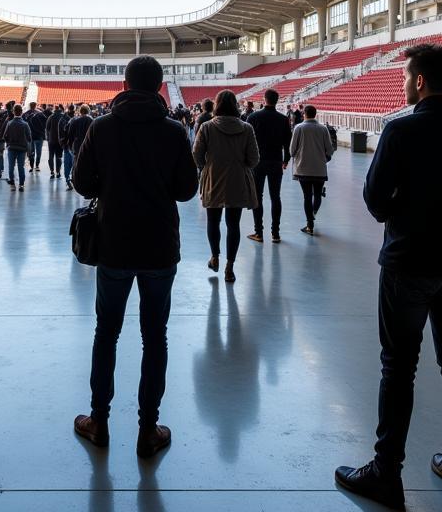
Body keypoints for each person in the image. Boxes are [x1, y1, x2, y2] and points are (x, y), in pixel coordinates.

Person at [336, 44, 442, 509]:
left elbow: (373, 197)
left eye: (406, 77)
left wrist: (402, 216)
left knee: (398, 367)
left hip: (408, 261)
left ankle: (387, 471)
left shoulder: (400, 129)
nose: (403, 83)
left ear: (421, 81)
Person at [72, 56, 199, 458]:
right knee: (154, 337)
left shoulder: (102, 126)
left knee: (106, 333)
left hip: (113, 244)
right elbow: (186, 191)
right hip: (160, 247)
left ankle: (99, 421)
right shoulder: (174, 132)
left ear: (125, 86)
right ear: (160, 87)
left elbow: (80, 181)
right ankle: (147, 429)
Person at [192, 89, 260, 283]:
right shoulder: (246, 128)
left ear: (217, 105)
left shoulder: (206, 127)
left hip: (213, 179)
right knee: (234, 224)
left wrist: (207, 167)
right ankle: (230, 267)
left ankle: (215, 257)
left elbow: (196, 155)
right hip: (237, 180)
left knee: (213, 221)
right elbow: (254, 159)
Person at [246, 89, 292, 244]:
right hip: (275, 161)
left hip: (257, 162)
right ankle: (275, 233)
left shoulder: (253, 117)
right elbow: (287, 142)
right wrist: (286, 159)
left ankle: (258, 232)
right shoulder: (283, 119)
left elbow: (247, 141)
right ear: (277, 100)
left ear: (264, 100)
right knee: (275, 197)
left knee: (257, 197)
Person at [288, 105, 333, 236]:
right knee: (317, 194)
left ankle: (309, 225)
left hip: (303, 169)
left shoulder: (299, 128)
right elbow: (330, 150)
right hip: (319, 169)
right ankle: (313, 213)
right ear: (315, 114)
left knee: (307, 196)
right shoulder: (323, 129)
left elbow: (292, 150)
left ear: (304, 114)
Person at [63, 104, 94, 188]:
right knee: (86, 164)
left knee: (75, 163)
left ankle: (72, 179)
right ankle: (85, 181)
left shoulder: (75, 120)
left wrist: (69, 145)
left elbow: (70, 134)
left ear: (80, 111)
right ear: (88, 111)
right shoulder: (92, 121)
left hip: (76, 146)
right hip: (88, 146)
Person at [4, 104, 32, 191]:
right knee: (21, 167)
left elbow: (5, 136)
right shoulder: (25, 124)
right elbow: (29, 138)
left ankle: (12, 184)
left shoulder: (9, 123)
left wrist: (9, 143)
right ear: (21, 112)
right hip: (22, 149)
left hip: (11, 148)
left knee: (11, 167)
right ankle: (21, 185)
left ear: (13, 112)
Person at [23, 101, 48, 172]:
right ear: (35, 105)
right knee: (39, 152)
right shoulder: (40, 113)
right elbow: (45, 124)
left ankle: (31, 166)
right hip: (39, 136)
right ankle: (37, 166)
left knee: (31, 152)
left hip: (30, 137)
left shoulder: (25, 114)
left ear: (30, 106)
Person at [46, 104, 66, 178]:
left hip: (51, 140)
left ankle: (52, 171)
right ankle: (58, 172)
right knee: (59, 156)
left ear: (54, 109)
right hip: (60, 140)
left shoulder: (51, 117)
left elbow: (47, 128)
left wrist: (48, 137)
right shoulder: (63, 117)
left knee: (51, 156)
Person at [60, 104, 77, 188]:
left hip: (66, 145)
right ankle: (73, 179)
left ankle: (68, 180)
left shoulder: (63, 119)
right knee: (74, 164)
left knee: (67, 164)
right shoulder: (77, 119)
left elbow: (60, 132)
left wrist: (62, 143)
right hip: (74, 145)